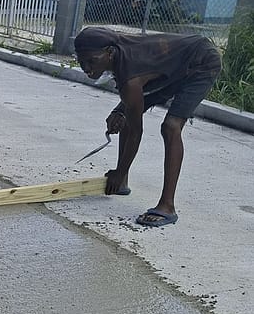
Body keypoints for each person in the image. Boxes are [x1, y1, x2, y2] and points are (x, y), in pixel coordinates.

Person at [74, 26, 222, 227]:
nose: (86, 68)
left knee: (171, 127)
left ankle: (167, 206)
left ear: (109, 52)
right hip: (175, 66)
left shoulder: (130, 77)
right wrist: (119, 110)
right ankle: (122, 181)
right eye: (81, 62)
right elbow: (131, 99)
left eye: (92, 61)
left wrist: (118, 170)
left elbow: (136, 132)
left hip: (202, 61)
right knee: (125, 115)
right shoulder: (120, 58)